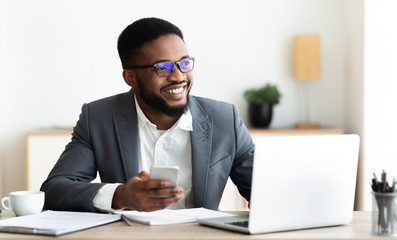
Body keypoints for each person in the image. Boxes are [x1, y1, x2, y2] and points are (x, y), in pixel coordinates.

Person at [40, 17, 254, 213]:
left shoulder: (225, 119)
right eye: (164, 68)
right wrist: (120, 195)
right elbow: (54, 190)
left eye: (184, 63)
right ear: (130, 77)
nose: (179, 77)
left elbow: (263, 188)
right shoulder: (98, 118)